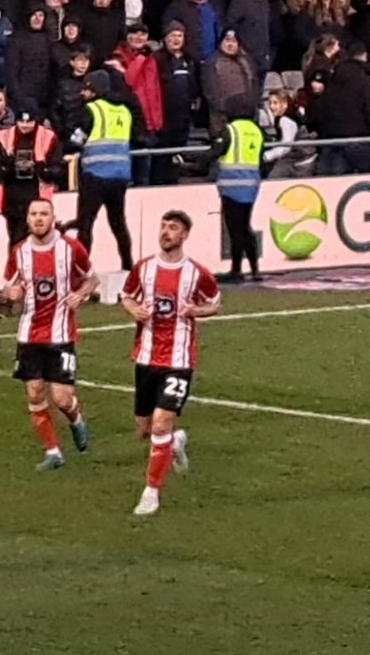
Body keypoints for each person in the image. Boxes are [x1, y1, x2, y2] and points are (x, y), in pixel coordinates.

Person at [120, 210, 221, 517]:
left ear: (185, 235)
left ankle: (151, 493)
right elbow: (127, 295)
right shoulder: (145, 268)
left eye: (173, 228)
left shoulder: (197, 273)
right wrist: (134, 310)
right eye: (163, 226)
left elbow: (215, 302)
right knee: (145, 429)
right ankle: (174, 441)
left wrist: (196, 311)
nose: (166, 232)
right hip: (146, 357)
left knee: (162, 421)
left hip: (178, 360)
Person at [2, 198, 97, 469]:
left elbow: (92, 278)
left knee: (62, 398)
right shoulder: (19, 252)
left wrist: (80, 294)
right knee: (34, 393)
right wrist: (12, 294)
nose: (38, 218)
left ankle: (76, 418)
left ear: (53, 217)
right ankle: (53, 451)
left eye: (44, 213)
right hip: (29, 334)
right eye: (34, 214)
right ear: (28, 219)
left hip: (61, 335)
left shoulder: (71, 248)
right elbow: (8, 288)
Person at [0, 107, 65, 318]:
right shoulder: (4, 136)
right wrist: (7, 167)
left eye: (29, 122)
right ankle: (14, 298)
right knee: (17, 249)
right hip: (12, 202)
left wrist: (43, 169)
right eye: (21, 122)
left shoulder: (48, 137)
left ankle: (13, 300)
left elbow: (59, 170)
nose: (25, 126)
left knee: (34, 249)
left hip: (38, 203)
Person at [74, 69, 135, 271]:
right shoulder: (124, 111)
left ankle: (81, 271)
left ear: (94, 90)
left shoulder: (92, 109)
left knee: (85, 225)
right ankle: (127, 266)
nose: (83, 93)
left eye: (86, 89)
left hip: (95, 175)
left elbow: (77, 140)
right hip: (119, 176)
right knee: (119, 224)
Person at [209, 95, 264, 282]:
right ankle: (255, 269)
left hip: (231, 186)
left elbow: (215, 152)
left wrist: (192, 166)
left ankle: (237, 269)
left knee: (235, 229)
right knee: (245, 226)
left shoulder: (230, 131)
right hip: (251, 185)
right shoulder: (256, 131)